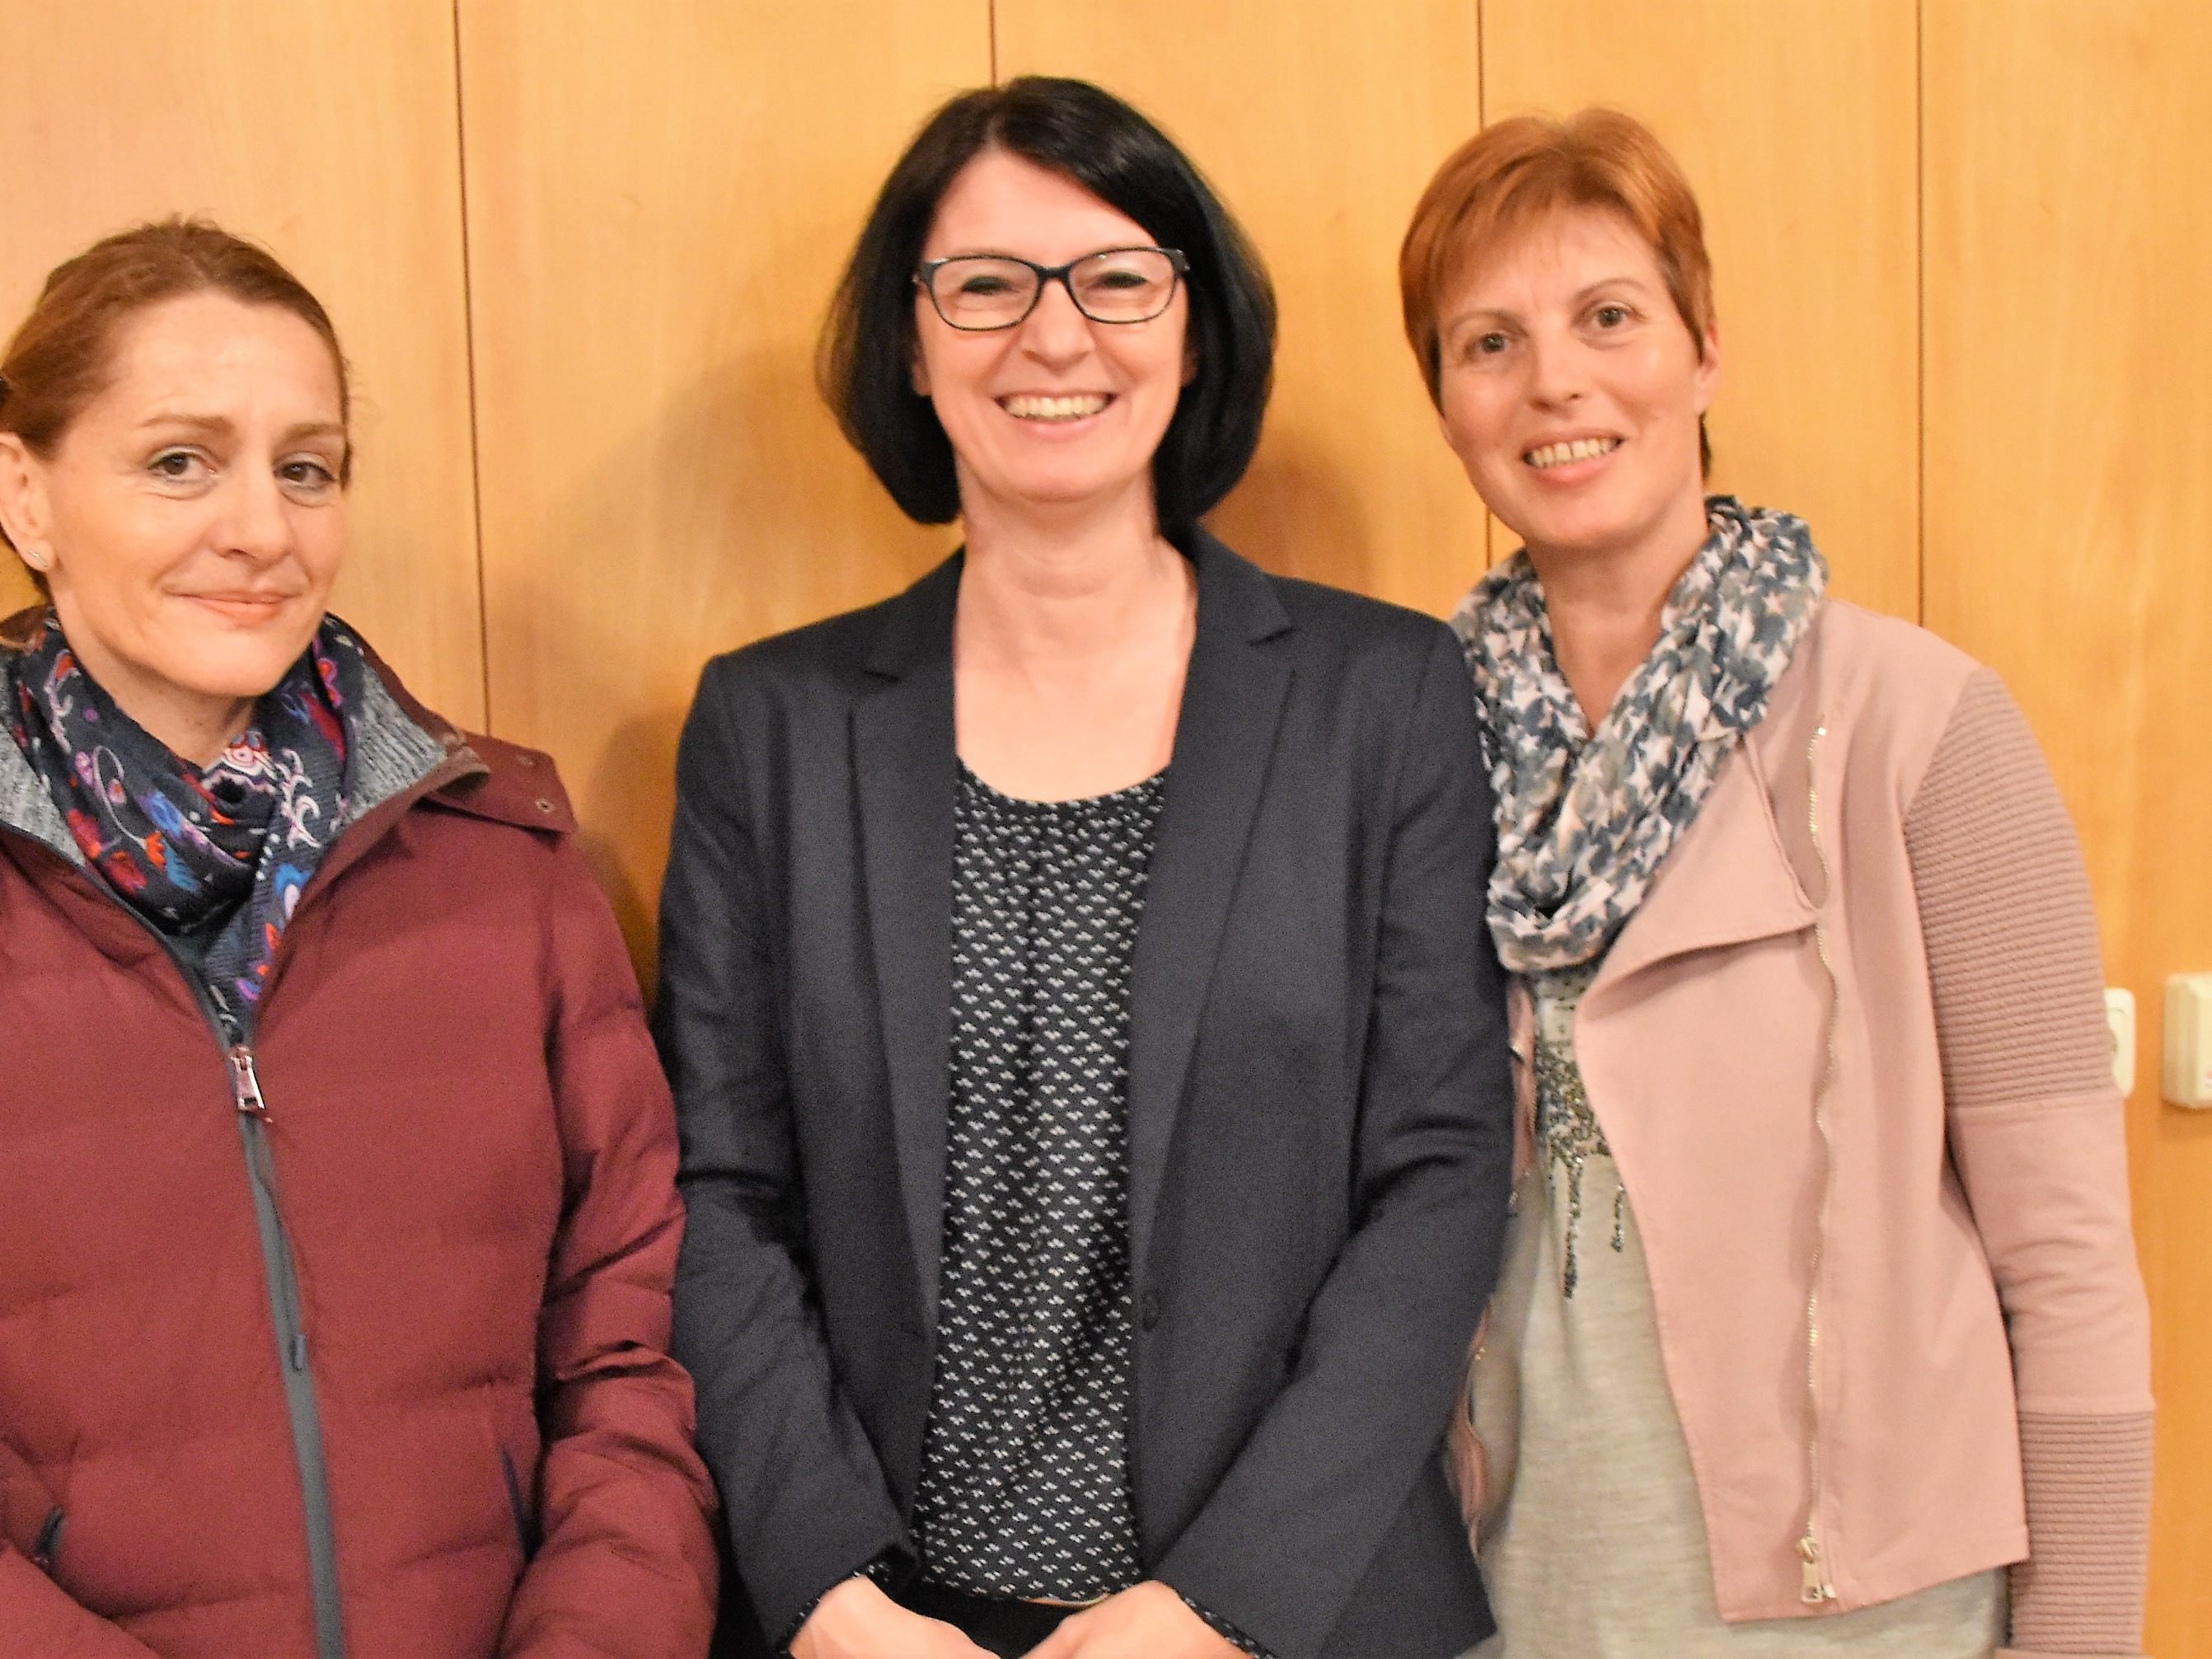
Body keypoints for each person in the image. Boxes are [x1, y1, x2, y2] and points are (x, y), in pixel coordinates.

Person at [658, 76, 1515, 1659]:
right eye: (984, 285)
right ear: (910, 346)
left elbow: (1445, 1174)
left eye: (1117, 278)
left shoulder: (1376, 699)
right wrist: (833, 1592)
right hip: (888, 1628)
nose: (1054, 336)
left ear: (1193, 330)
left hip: (1292, 1613)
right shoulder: (768, 729)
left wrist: (1212, 1605)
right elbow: (716, 1192)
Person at [1396, 110, 2154, 1658]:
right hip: (1502, 1596)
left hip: (1872, 1610)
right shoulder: (1398, 748)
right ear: (1449, 406)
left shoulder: (1920, 725)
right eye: (1491, 340)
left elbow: (2068, 1260)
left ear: (1703, 351)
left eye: (1610, 316)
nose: (1557, 380)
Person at [0, 219, 718, 1658]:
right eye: (179, 460)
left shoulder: (505, 855)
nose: (263, 528)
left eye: (306, 466)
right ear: (26, 491)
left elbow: (629, 1353)